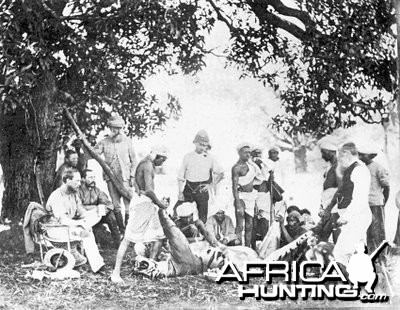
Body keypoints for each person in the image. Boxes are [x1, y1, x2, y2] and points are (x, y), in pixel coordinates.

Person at [112, 192, 226, 283]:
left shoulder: (197, 223)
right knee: (143, 247)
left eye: (189, 217)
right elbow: (173, 237)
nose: (187, 220)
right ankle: (152, 261)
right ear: (181, 217)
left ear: (192, 215)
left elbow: (206, 233)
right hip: (170, 249)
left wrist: (215, 243)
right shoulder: (177, 222)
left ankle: (151, 263)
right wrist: (187, 230)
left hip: (191, 251)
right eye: (184, 218)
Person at [111, 146, 168, 282]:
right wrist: (160, 204)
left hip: (147, 204)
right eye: (163, 160)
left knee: (159, 237)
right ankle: (116, 273)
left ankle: (150, 267)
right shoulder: (147, 165)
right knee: (128, 239)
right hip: (142, 204)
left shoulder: (144, 163)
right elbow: (148, 190)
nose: (162, 164)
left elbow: (141, 187)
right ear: (158, 156)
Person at [46, 169, 105, 272]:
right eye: (77, 181)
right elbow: (62, 220)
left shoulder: (73, 194)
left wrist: (96, 212)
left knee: (89, 226)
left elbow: (81, 212)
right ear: (68, 180)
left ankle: (95, 264)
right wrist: (80, 223)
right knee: (86, 233)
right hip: (56, 229)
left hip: (68, 226)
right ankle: (97, 266)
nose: (79, 184)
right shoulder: (57, 196)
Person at [94, 115, 138, 236]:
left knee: (128, 204)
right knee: (116, 205)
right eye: (114, 128)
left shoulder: (128, 142)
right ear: (110, 128)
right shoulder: (104, 142)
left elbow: (134, 160)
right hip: (110, 178)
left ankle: (130, 231)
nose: (117, 131)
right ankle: (122, 230)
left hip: (126, 178)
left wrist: (133, 177)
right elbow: (93, 153)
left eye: (119, 128)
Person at [333, 142, 372, 267]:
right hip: (354, 216)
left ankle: (347, 282)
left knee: (341, 252)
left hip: (357, 217)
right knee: (358, 252)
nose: (339, 159)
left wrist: (345, 217)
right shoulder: (353, 168)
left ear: (348, 153)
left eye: (341, 156)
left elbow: (359, 199)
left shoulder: (359, 169)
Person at [177, 130, 224, 223]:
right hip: (189, 188)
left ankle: (202, 235)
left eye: (205, 145)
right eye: (200, 144)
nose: (202, 147)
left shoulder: (210, 158)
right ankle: (188, 235)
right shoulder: (188, 156)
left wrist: (211, 185)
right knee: (185, 214)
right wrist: (180, 192)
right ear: (195, 143)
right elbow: (180, 176)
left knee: (203, 217)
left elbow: (221, 173)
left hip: (202, 189)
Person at [358, 144, 390, 254]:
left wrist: (382, 201)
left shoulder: (378, 167)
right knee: (369, 233)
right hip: (366, 206)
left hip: (376, 204)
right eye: (359, 155)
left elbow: (386, 187)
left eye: (363, 155)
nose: (360, 157)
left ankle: (382, 259)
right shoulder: (361, 168)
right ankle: (372, 258)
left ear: (370, 156)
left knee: (379, 233)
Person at [78, 169, 120, 248]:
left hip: (96, 215)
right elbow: (78, 207)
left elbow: (109, 204)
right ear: (83, 179)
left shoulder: (97, 191)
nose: (93, 180)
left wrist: (102, 209)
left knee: (110, 216)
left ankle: (118, 243)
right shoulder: (78, 191)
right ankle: (92, 244)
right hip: (84, 216)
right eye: (90, 177)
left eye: (94, 177)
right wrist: (93, 208)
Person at [232, 143, 260, 248]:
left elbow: (258, 179)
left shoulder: (251, 165)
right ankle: (239, 248)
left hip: (251, 197)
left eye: (249, 152)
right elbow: (234, 187)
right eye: (245, 152)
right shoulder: (236, 168)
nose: (248, 155)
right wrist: (238, 203)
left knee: (250, 225)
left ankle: (247, 248)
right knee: (240, 225)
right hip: (241, 197)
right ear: (239, 153)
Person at [313, 141, 342, 243]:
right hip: (327, 207)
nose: (322, 156)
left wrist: (329, 208)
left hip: (334, 208)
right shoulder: (330, 167)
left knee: (333, 236)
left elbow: (340, 189)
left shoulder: (339, 166)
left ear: (332, 152)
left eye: (324, 153)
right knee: (321, 236)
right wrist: (323, 207)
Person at [251, 146, 273, 243]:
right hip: (253, 196)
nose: (257, 156)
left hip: (264, 196)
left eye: (259, 153)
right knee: (253, 222)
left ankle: (265, 244)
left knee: (265, 220)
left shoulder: (266, 165)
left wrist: (261, 165)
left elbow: (267, 177)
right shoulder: (249, 165)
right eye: (255, 153)